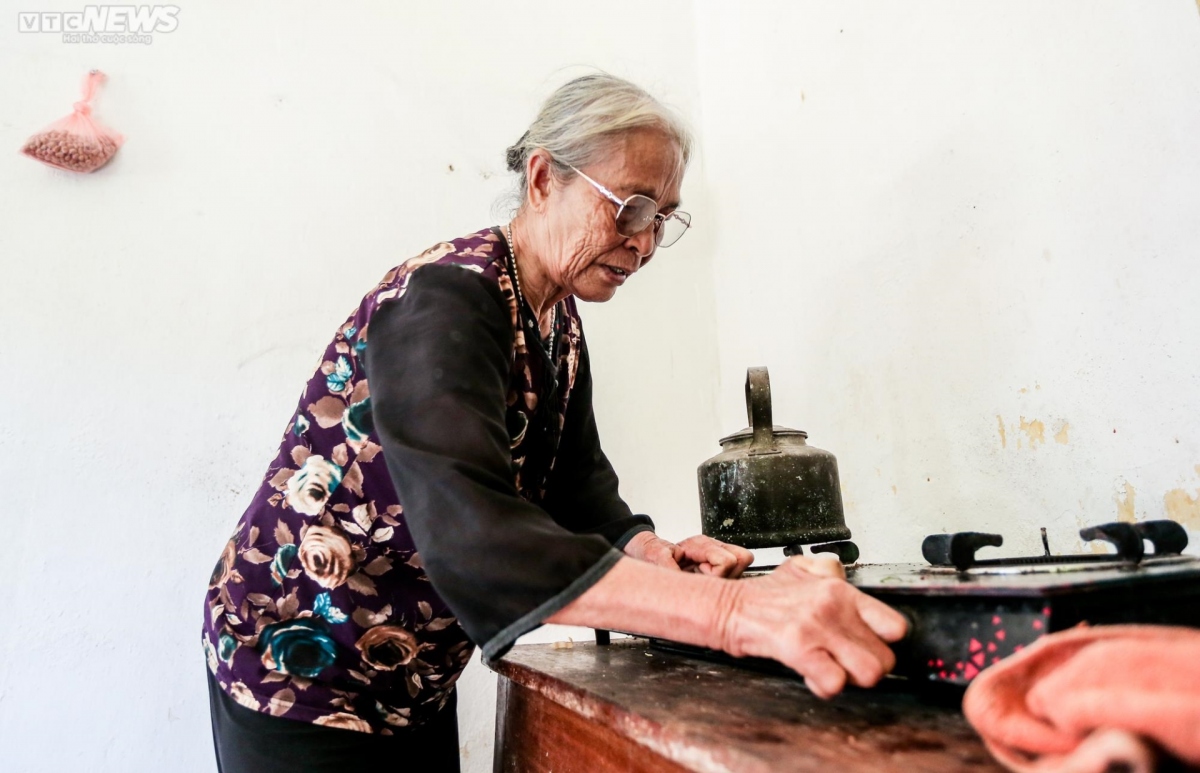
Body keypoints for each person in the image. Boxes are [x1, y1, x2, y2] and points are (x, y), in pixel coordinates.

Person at [202, 73, 907, 772]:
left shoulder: (555, 317)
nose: (646, 242)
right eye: (630, 207)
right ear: (543, 179)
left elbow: (580, 489)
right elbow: (474, 534)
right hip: (297, 667)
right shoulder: (446, 297)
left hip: (408, 675)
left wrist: (652, 554)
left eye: (663, 217)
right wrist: (732, 614)